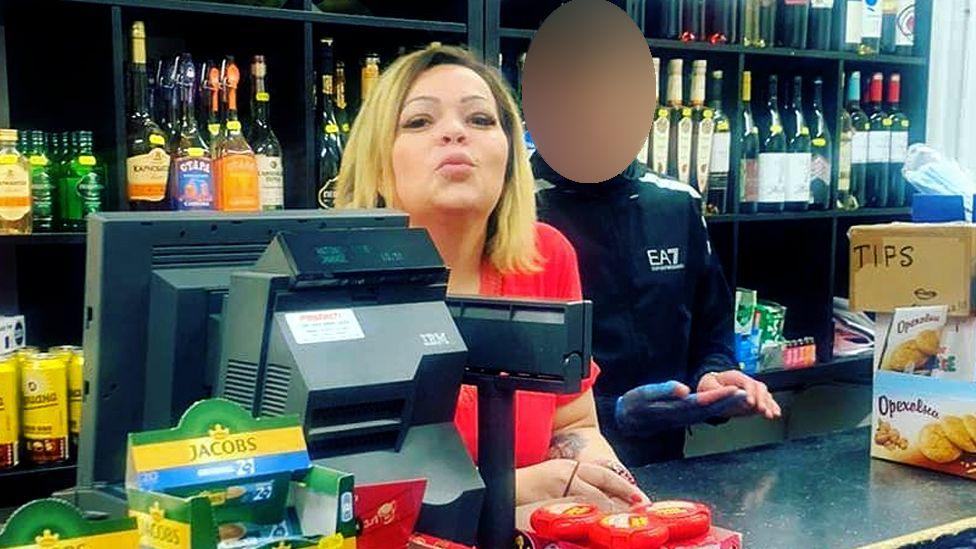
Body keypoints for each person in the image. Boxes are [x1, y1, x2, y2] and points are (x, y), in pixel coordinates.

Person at [334, 44, 646, 508]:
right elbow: (346, 489)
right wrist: (521, 488)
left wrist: (610, 494)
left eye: (480, 120)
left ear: (509, 156)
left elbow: (574, 425)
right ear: (377, 163)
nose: (455, 133)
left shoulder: (546, 256)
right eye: (420, 121)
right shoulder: (339, 286)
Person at [533, 153, 782, 467]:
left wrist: (712, 377)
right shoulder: (516, 211)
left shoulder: (676, 202)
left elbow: (711, 332)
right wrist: (615, 414)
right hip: (552, 474)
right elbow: (505, 382)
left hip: (666, 465)